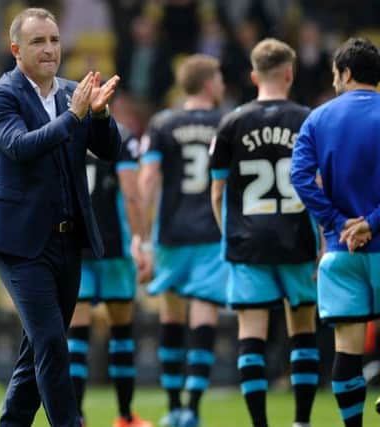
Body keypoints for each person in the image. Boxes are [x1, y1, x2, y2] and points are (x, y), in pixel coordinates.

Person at [0, 7, 121, 427]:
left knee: (38, 350)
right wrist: (74, 116)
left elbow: (111, 150)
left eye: (54, 40)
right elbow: (20, 146)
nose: (49, 49)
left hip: (67, 239)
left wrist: (100, 115)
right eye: (38, 41)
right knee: (54, 344)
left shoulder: (74, 92)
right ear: (16, 49)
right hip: (18, 241)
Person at [209, 39, 320, 427]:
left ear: (254, 75)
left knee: (251, 334)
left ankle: (259, 425)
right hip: (297, 238)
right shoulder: (308, 119)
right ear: (289, 72)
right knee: (302, 330)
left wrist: (231, 233)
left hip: (248, 240)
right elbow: (318, 184)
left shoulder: (231, 122)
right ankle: (302, 421)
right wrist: (321, 243)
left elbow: (218, 191)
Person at [291, 37, 380, 427]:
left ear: (345, 73)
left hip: (340, 251)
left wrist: (336, 223)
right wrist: (370, 223)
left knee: (347, 350)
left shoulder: (318, 118)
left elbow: (300, 177)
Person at [138, 54, 228, 427]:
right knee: (204, 317)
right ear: (208, 84)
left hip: (171, 233)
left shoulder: (162, 123)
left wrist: (141, 238)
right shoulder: (226, 122)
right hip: (211, 232)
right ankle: (193, 408)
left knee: (171, 317)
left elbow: (147, 180)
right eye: (219, 78)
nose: (222, 84)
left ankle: (173, 408)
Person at [67, 124, 152, 427]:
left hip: (76, 246)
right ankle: (126, 417)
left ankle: (75, 416)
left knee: (76, 338)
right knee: (121, 334)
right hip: (113, 248)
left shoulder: (68, 134)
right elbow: (131, 194)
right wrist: (142, 242)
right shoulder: (121, 137)